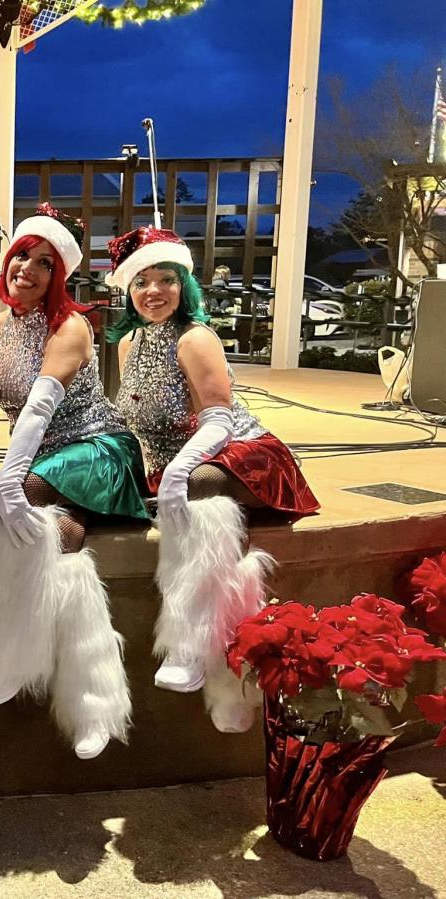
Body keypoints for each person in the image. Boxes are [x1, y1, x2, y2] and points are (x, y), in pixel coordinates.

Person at [107, 226, 320, 732]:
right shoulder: (127, 343)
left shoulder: (195, 336)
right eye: (141, 282)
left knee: (201, 486)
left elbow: (219, 418)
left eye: (165, 279)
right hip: (173, 468)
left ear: (184, 286)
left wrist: (181, 469)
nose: (153, 291)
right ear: (127, 291)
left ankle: (193, 643)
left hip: (239, 455)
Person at [0, 205, 143, 760]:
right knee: (59, 538)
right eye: (22, 253)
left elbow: (38, 412)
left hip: (97, 450)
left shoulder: (70, 326)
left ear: (59, 276)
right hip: (42, 462)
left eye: (45, 262)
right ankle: (93, 698)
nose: (28, 267)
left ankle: (8, 662)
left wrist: (11, 482)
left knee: (21, 506)